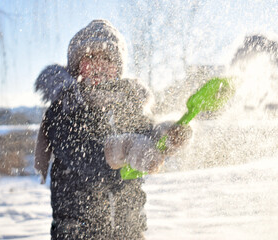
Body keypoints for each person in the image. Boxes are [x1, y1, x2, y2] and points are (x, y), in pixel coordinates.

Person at [34, 19, 192, 240]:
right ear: (76, 66)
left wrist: (167, 136)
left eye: (107, 58)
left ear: (118, 67)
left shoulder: (128, 105)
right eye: (89, 57)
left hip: (128, 231)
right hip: (77, 232)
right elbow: (81, 155)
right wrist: (125, 148)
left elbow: (148, 135)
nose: (98, 64)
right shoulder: (64, 108)